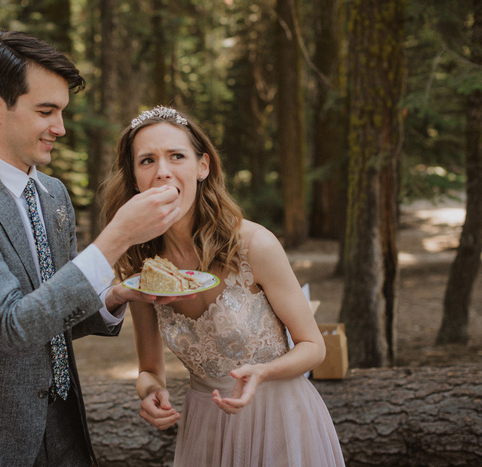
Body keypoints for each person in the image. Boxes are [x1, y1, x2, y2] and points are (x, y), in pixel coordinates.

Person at [0, 32, 191, 466]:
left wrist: (115, 296)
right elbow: (14, 327)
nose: (60, 128)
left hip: (65, 435)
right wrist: (117, 236)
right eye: (46, 111)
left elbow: (53, 311)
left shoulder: (53, 194)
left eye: (61, 112)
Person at [101, 106, 345, 466]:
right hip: (206, 429)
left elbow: (313, 346)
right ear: (135, 178)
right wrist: (152, 392)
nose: (163, 171)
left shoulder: (254, 244)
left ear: (203, 167)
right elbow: (150, 369)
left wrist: (262, 372)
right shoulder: (143, 269)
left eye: (176, 156)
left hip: (281, 420)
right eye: (147, 160)